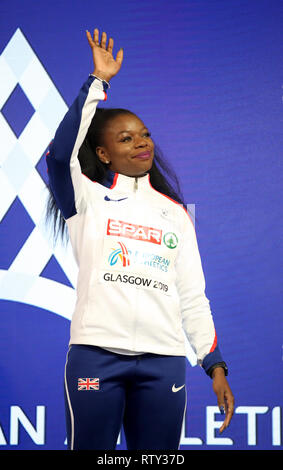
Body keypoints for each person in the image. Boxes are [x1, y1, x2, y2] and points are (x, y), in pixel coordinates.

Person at [46, 28, 234, 450]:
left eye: (144, 134)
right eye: (125, 138)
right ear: (102, 154)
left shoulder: (175, 214)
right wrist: (98, 83)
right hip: (96, 355)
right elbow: (59, 155)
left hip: (163, 362)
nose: (141, 143)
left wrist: (215, 365)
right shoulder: (85, 199)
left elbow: (192, 297)